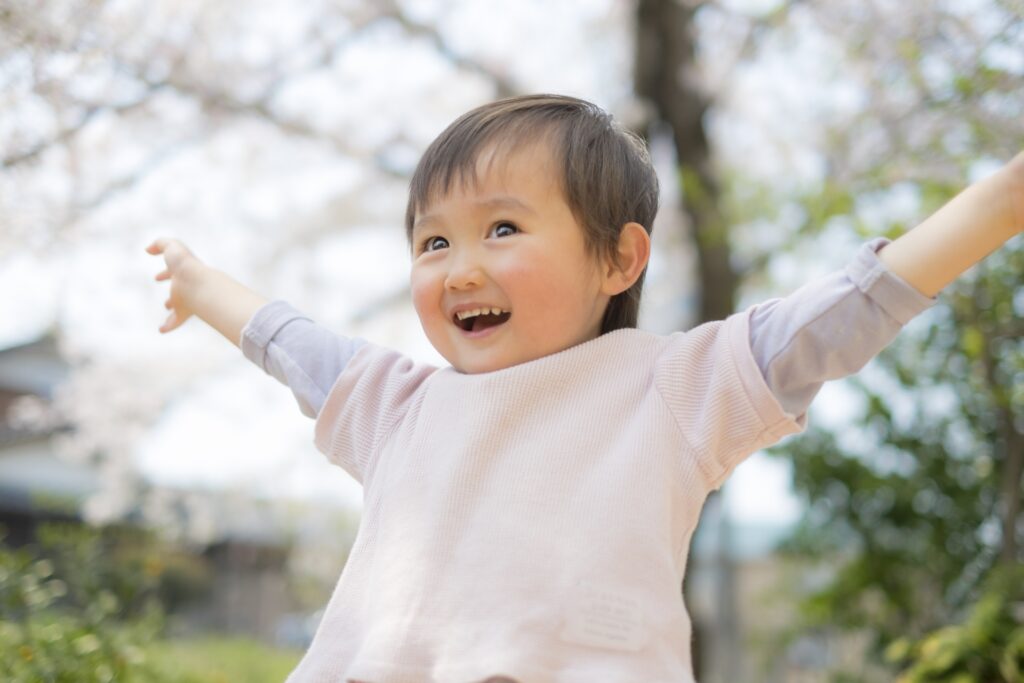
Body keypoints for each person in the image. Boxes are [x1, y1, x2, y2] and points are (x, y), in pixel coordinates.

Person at [145, 95, 1023, 683]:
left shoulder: (673, 386)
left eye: (501, 227)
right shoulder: (398, 403)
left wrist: (1003, 201)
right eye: (433, 243)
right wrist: (200, 284)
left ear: (618, 258)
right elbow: (295, 345)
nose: (460, 268)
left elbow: (842, 312)